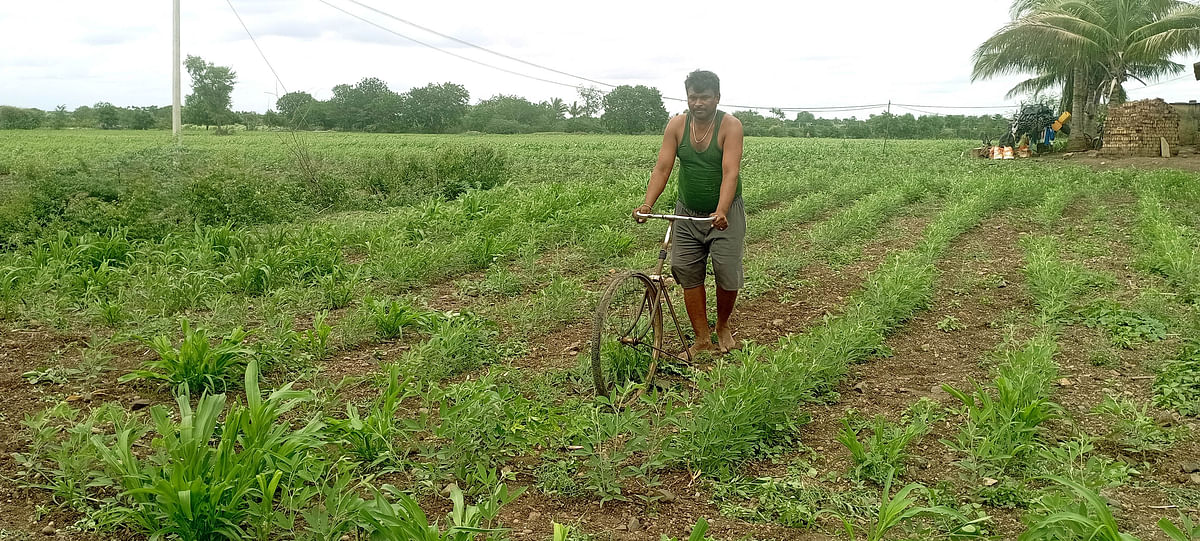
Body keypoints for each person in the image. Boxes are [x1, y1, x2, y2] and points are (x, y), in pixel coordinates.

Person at [632, 69, 745, 356]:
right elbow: (662, 167)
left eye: (704, 97)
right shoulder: (677, 126)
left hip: (724, 213)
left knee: (726, 272)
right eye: (692, 97)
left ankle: (722, 326)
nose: (698, 103)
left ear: (717, 98)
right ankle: (702, 339)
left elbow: (730, 172)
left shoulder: (730, 126)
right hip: (687, 211)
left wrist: (721, 210)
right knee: (685, 269)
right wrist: (647, 204)